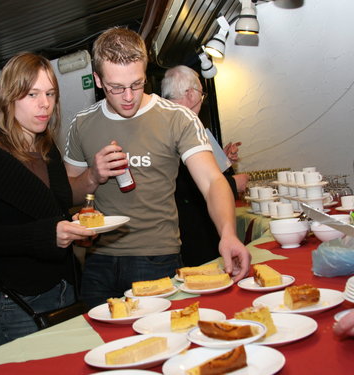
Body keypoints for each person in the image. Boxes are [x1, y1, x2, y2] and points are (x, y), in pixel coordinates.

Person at [64, 27, 251, 308]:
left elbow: (213, 182)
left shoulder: (177, 118)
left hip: (156, 257)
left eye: (137, 84)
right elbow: (68, 194)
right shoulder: (82, 123)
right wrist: (93, 175)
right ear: (98, 80)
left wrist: (228, 233)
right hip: (99, 261)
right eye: (117, 87)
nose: (128, 96)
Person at [0, 52, 95, 345]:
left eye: (50, 93)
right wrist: (47, 235)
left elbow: (52, 212)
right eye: (32, 94)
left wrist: (73, 230)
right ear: (9, 98)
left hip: (65, 286)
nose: (44, 104)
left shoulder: (47, 148)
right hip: (18, 300)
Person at [161, 65, 249, 265]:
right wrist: (234, 184)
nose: (202, 98)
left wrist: (221, 160)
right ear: (191, 94)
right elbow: (183, 189)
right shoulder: (180, 124)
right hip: (190, 233)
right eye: (201, 93)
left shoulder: (161, 119)